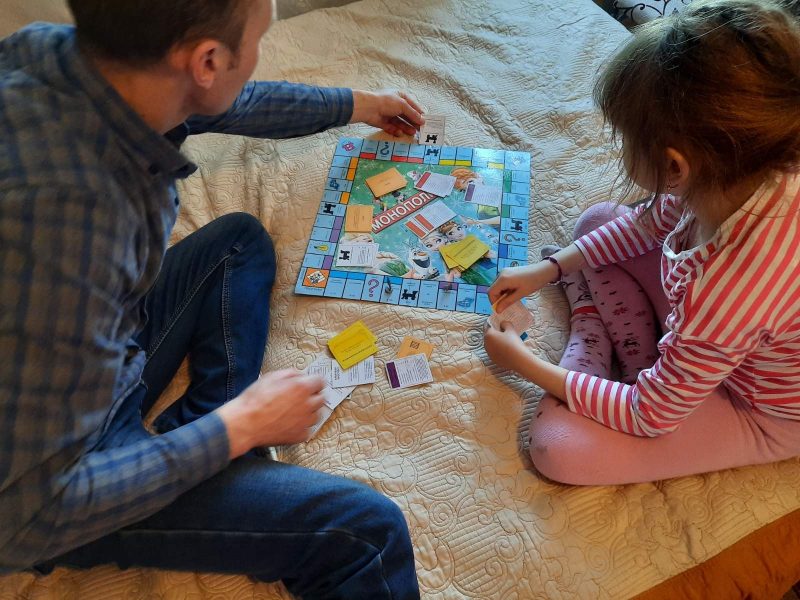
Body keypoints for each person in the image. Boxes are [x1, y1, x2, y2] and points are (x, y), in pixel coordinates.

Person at [0, 0, 424, 596]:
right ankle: (204, 455)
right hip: (59, 482)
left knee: (238, 242)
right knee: (368, 532)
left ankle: (202, 452)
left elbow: (223, 100)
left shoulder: (52, 53)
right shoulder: (74, 230)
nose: (255, 59)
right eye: (257, 40)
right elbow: (23, 520)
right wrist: (238, 427)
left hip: (86, 360)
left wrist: (360, 104)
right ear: (206, 61)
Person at [485, 0, 800, 486]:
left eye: (624, 139)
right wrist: (549, 269)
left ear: (675, 166)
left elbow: (650, 414)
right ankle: (636, 354)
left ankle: (602, 337)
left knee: (557, 447)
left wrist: (525, 365)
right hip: (721, 335)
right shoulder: (744, 167)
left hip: (763, 408)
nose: (621, 148)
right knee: (597, 222)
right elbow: (646, 225)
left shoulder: (727, 289)